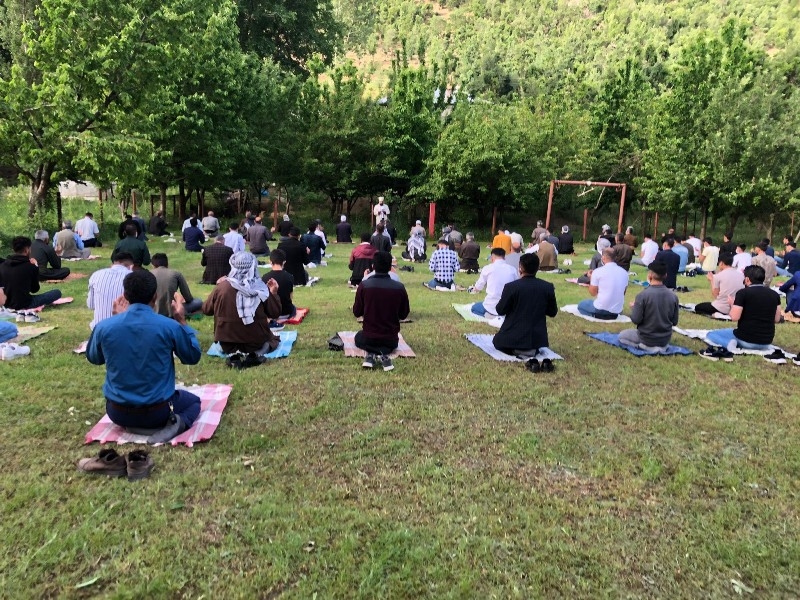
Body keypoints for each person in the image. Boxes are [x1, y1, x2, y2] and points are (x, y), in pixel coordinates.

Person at [86, 269, 202, 436]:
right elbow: (192, 356)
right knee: (194, 402)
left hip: (117, 412)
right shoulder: (170, 326)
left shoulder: (104, 327)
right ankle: (178, 423)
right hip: (158, 412)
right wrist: (182, 321)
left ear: (125, 295)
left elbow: (94, 358)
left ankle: (135, 426)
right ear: (155, 296)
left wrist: (114, 321)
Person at [201, 251, 282, 357]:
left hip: (226, 342)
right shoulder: (260, 288)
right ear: (253, 266)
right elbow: (274, 313)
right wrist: (274, 293)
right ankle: (259, 353)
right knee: (273, 339)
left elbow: (206, 310)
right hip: (256, 342)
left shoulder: (221, 287)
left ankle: (235, 355)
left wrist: (216, 288)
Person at [703, 265, 783, 360]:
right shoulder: (775, 294)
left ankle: (729, 344)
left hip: (745, 339)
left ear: (747, 279)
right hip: (766, 341)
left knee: (711, 334)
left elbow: (734, 317)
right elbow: (777, 319)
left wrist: (732, 304)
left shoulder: (743, 293)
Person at [492, 253, 558, 361]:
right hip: (537, 339)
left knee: (497, 341)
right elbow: (552, 312)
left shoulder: (512, 287)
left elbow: (500, 310)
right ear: (537, 268)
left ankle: (519, 350)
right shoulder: (547, 287)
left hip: (512, 336)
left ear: (520, 268)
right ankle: (528, 349)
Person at [353, 251, 410, 371]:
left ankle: (372, 354)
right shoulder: (399, 287)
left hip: (368, 337)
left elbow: (357, 312)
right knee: (384, 344)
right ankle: (382, 353)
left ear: (373, 266)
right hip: (391, 340)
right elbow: (404, 314)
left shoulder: (364, 285)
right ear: (390, 267)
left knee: (358, 336)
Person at [618, 261, 679, 353]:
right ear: (665, 276)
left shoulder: (642, 295)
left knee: (622, 336)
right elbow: (674, 322)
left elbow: (636, 320)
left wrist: (635, 308)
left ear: (650, 275)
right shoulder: (673, 296)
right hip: (665, 340)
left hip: (646, 338)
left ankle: (645, 347)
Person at [0, 236, 63, 310]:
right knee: (57, 292)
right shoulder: (30, 266)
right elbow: (34, 289)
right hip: (24, 304)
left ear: (13, 249)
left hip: (5, 303)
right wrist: (36, 267)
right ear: (27, 250)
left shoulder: (2, 265)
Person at [578, 248, 628, 319]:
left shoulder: (598, 272)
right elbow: (623, 293)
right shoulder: (625, 273)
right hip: (617, 311)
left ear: (603, 258)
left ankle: (595, 315)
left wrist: (591, 278)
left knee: (581, 305)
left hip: (601, 309)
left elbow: (593, 293)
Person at [87, 252, 134, 330]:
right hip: (123, 329)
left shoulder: (96, 275)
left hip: (98, 328)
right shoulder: (133, 277)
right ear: (131, 266)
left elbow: (91, 305)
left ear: (113, 263)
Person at [470, 248, 518, 317]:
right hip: (508, 306)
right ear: (504, 257)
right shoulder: (512, 269)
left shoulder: (488, 268)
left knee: (475, 308)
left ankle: (490, 316)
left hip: (491, 305)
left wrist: (474, 289)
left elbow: (478, 287)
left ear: (492, 257)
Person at [262, 249, 295, 319]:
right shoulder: (289, 276)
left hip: (269, 313)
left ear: (270, 262)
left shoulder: (264, 277)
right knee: (293, 307)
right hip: (286, 312)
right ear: (284, 262)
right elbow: (290, 296)